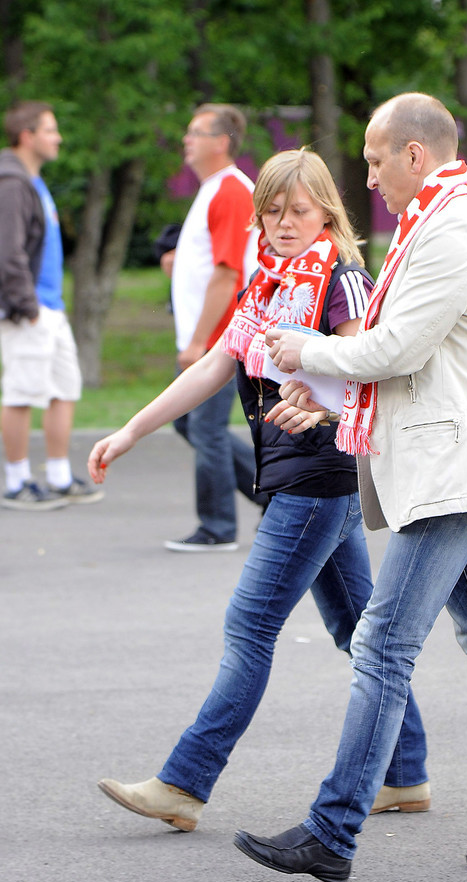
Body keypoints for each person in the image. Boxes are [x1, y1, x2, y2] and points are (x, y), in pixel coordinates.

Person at [233, 93, 467, 882]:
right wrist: (320, 395)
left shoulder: (454, 232)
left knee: (381, 644)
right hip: (445, 467)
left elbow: (394, 348)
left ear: (414, 155)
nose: (366, 177)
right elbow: (408, 361)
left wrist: (302, 349)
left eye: (372, 160)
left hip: (451, 472)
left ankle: (331, 832)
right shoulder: (432, 226)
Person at [88, 148, 430, 833]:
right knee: (355, 630)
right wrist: (131, 430)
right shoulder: (268, 283)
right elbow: (216, 364)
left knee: (249, 628)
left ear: (326, 211)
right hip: (294, 477)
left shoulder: (341, 276)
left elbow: (366, 365)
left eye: (296, 210)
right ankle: (405, 774)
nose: (281, 224)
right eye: (270, 211)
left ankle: (184, 784)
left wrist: (324, 399)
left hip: (319, 476)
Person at [164, 103, 266, 553]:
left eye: (196, 132)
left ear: (221, 142)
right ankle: (270, 493)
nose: (187, 139)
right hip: (210, 335)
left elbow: (228, 275)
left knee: (202, 426)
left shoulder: (229, 191)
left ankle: (218, 526)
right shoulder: (213, 190)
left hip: (222, 336)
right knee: (188, 421)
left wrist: (199, 341)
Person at [0, 101, 103, 510]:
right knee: (23, 393)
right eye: (50, 129)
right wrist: (27, 305)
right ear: (27, 135)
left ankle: (58, 477)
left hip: (51, 306)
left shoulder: (33, 181)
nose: (58, 137)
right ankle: (16, 480)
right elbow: (7, 252)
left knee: (65, 387)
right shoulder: (11, 183)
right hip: (29, 307)